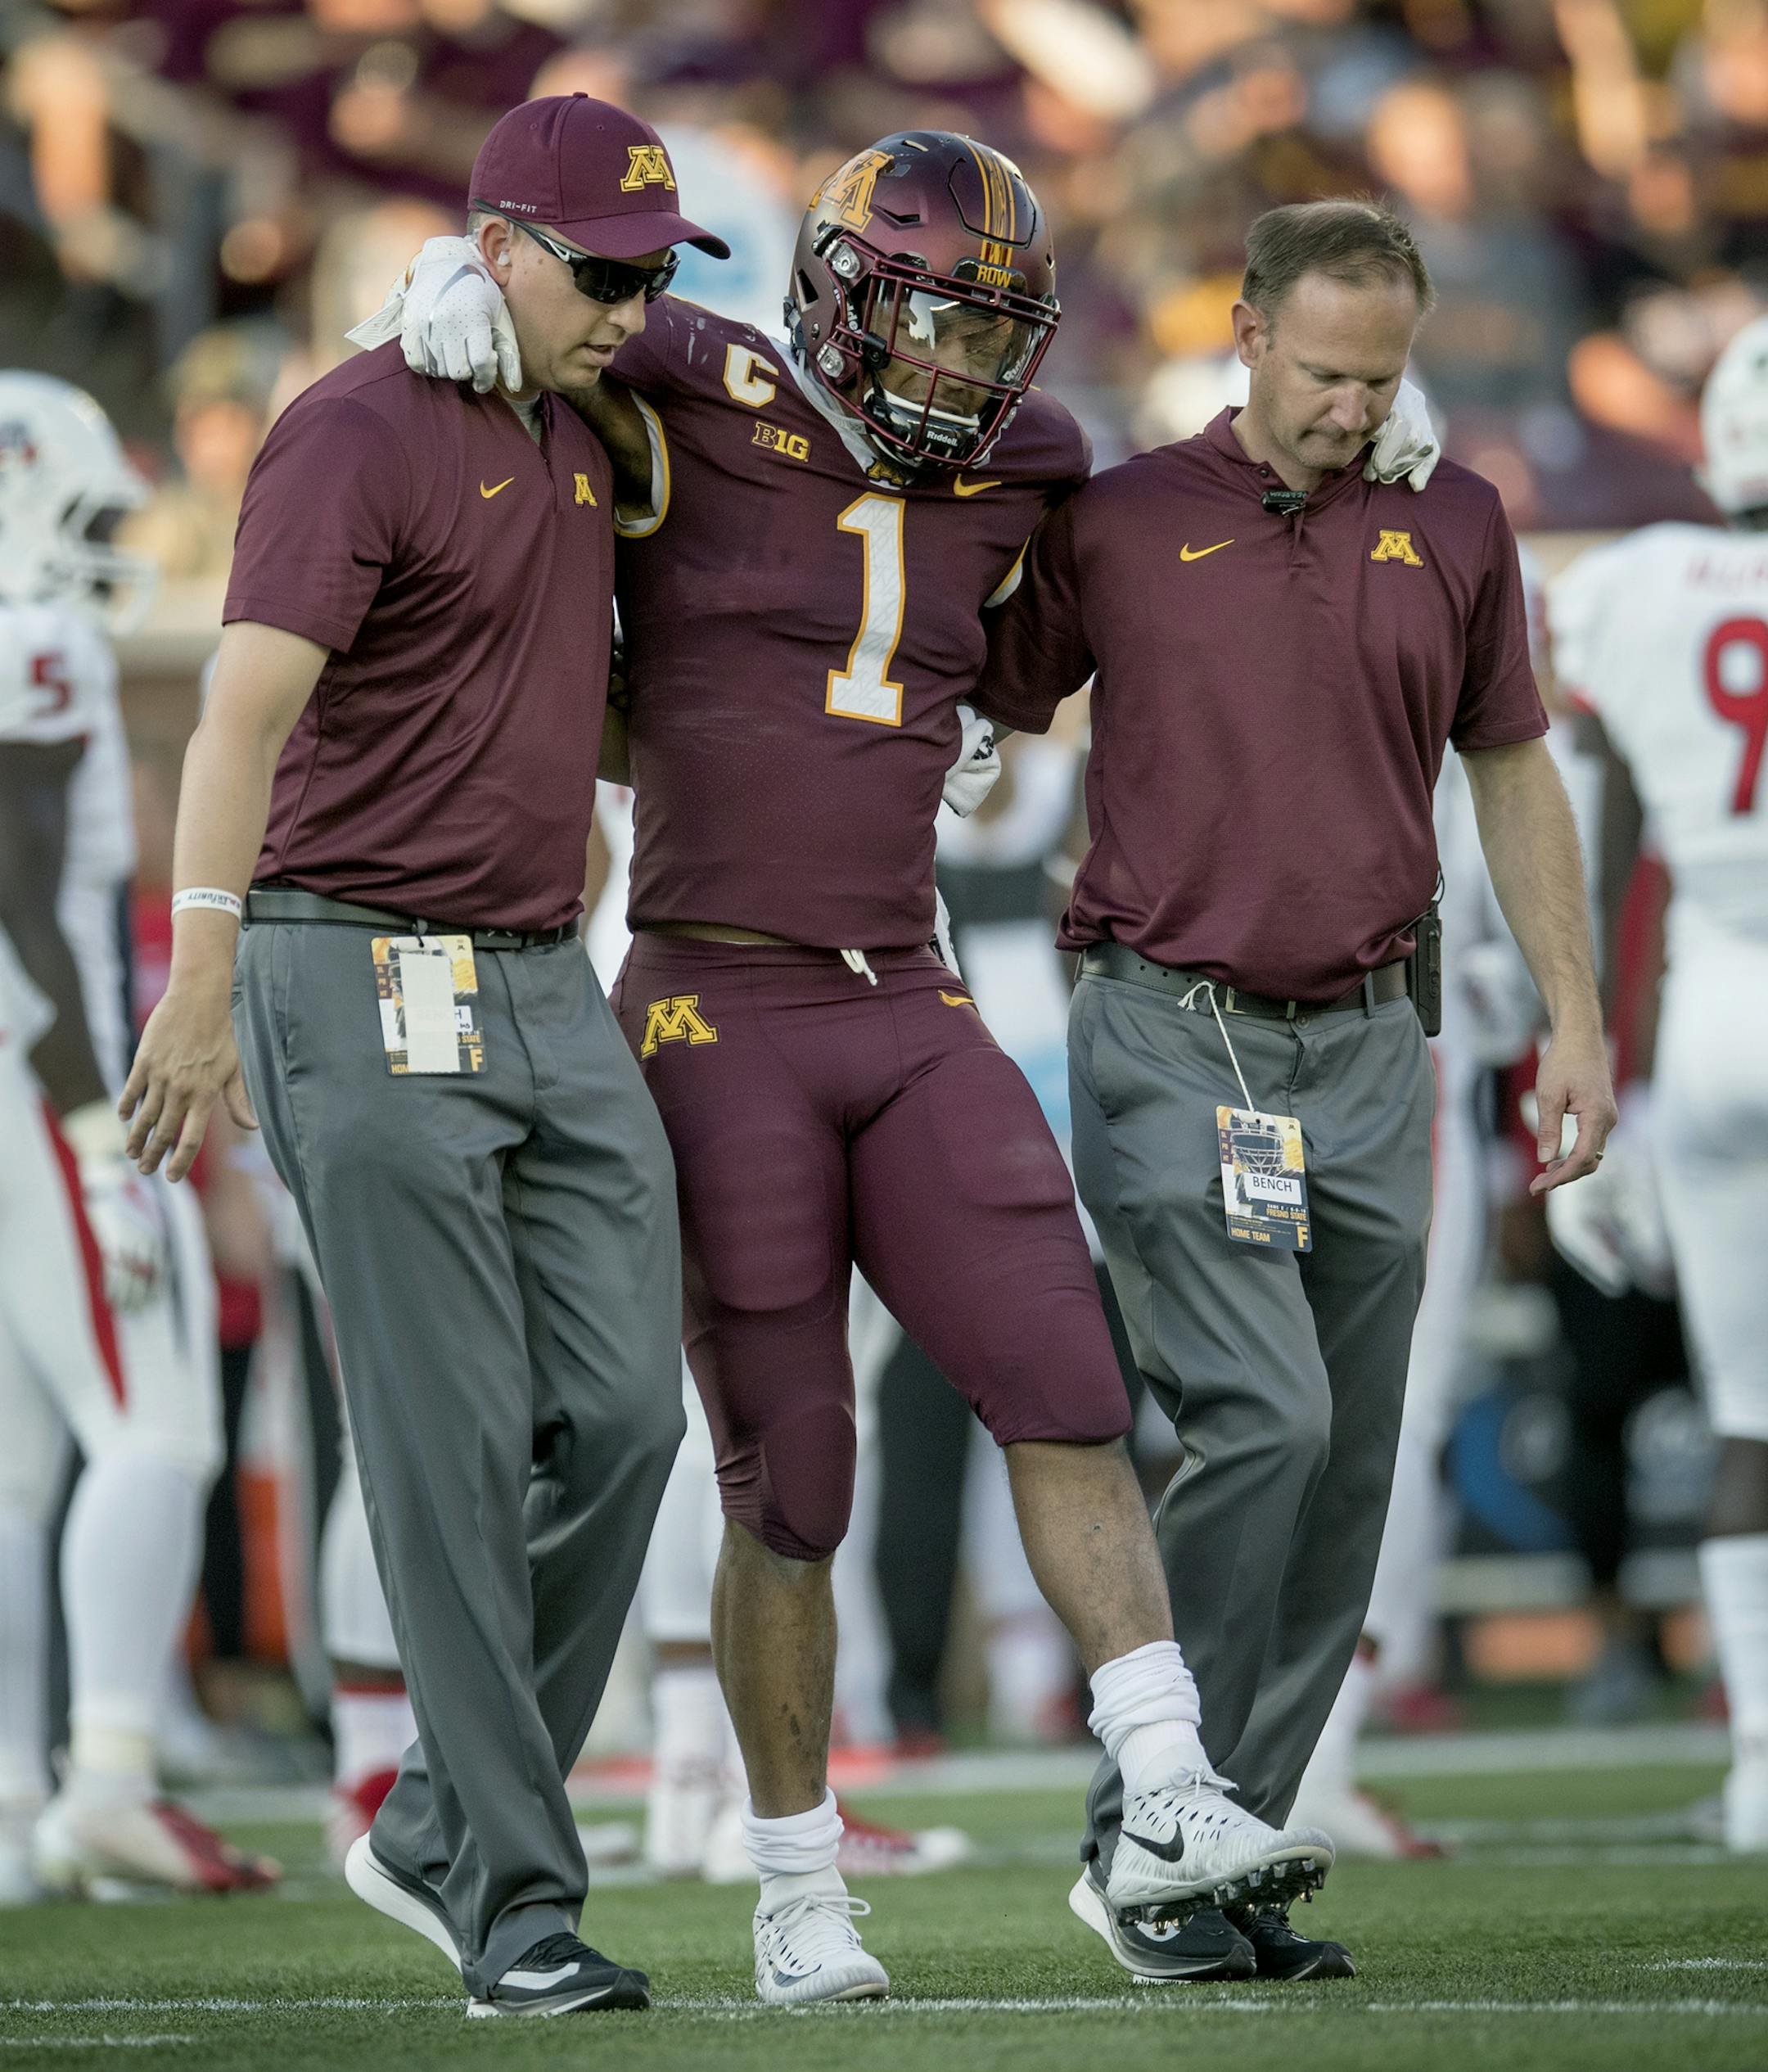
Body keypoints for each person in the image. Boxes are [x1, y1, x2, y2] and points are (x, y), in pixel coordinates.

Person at [381, 132, 1436, 2002]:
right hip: (717, 1000)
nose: (962, 372)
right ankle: (796, 1888)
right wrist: (431, 305)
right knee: (794, 1475)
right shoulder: (688, 378)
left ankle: (1173, 1788)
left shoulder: (1031, 464)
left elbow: (1162, 542)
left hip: (908, 984)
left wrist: (1363, 479)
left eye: (993, 335)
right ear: (841, 294)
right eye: (934, 326)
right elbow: (549, 329)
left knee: (1065, 1378)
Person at [119, 95, 720, 2018]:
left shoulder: (571, 430)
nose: (635, 306)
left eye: (654, 273)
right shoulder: (359, 425)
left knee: (629, 1417)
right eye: (607, 271)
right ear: (503, 248)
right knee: (449, 1443)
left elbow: (564, 705)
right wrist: (200, 981)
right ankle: (517, 1906)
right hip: (345, 961)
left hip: (540, 970)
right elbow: (238, 721)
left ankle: (443, 1810)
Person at [975, 199, 1617, 1981]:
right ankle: (1151, 1828)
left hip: (1369, 1041)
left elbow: (1515, 771)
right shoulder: (1118, 518)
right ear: (1245, 330)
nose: (1353, 405)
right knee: (1267, 1418)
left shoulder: (1458, 518)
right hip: (1170, 1026)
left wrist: (1575, 1016)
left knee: (1348, 1481)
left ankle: (1206, 1852)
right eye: (1325, 370)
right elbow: (968, 718)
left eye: (1381, 374)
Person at [0, 373, 271, 1903]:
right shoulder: (29, 646)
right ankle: (107, 1771)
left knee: (19, 1464)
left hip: (17, 1071)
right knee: (156, 1427)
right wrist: (99, 1118)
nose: (108, 541)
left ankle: (11, 1798)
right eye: (89, 511)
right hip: (44, 1074)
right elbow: (24, 894)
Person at [1549, 313, 1768, 1851]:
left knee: (1752, 1411)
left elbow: (1613, 843)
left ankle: (1763, 1762)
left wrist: (1600, 1053)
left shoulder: (1632, 587)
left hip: (1706, 1013)